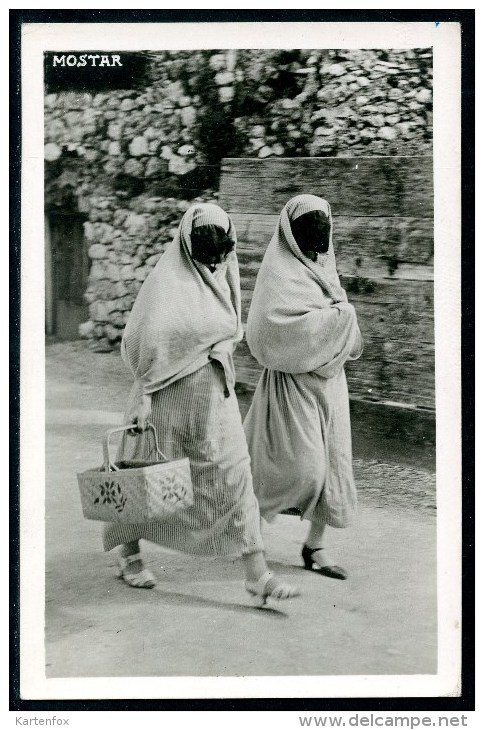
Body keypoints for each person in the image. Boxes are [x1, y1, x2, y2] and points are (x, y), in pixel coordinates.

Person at [103, 202, 300, 605]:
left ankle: (256, 574)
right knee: (145, 478)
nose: (213, 258)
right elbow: (140, 341)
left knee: (233, 475)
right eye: (205, 248)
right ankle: (129, 554)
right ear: (187, 244)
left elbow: (231, 330)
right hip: (165, 398)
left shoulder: (224, 276)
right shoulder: (166, 283)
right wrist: (143, 392)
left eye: (219, 248)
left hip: (214, 397)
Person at [244, 194, 363, 580]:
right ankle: (249, 538)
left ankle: (315, 546)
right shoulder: (279, 272)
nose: (318, 233)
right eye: (309, 225)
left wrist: (339, 321)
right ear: (290, 232)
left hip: (329, 382)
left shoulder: (325, 268)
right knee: (295, 469)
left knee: (332, 466)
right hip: (290, 386)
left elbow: (345, 333)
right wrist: (339, 320)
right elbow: (269, 332)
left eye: (323, 224)